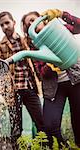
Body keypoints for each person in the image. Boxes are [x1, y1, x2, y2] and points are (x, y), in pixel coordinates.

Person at [21, 9, 80, 149]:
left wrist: (61, 14)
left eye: (33, 20)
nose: (32, 24)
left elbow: (78, 26)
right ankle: (63, 147)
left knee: (79, 123)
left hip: (76, 81)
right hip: (54, 88)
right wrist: (49, 63)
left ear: (42, 19)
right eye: (28, 24)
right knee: (50, 125)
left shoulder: (60, 30)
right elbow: (41, 72)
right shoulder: (34, 47)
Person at [0, 11, 45, 148]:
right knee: (15, 127)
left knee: (41, 121)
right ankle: (17, 147)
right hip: (12, 91)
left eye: (7, 23)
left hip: (29, 87)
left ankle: (45, 146)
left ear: (14, 23)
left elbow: (33, 62)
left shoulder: (25, 40)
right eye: (1, 25)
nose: (5, 26)